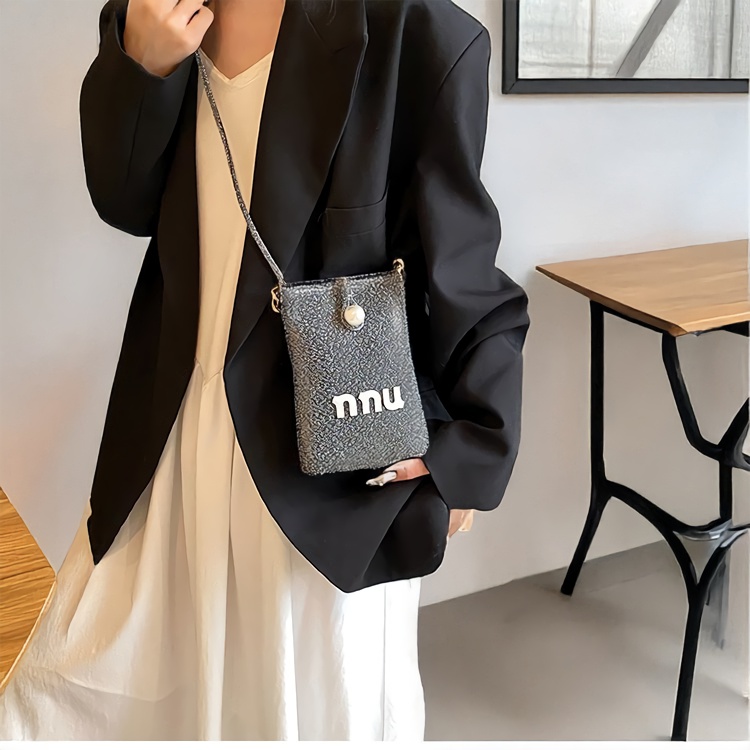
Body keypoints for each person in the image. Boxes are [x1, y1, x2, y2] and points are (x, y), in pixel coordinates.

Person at [0, 0, 529, 741]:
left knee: (303, 712)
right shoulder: (153, 12)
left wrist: (468, 448)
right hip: (174, 436)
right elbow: (123, 201)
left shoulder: (416, 32)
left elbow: (462, 268)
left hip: (329, 463)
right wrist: (144, 64)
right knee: (65, 697)